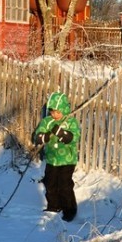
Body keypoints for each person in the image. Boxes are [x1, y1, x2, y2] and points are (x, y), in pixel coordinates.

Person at [33, 91, 81, 222]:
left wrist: (61, 133)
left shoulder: (71, 122)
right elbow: (37, 136)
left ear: (64, 110)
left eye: (58, 112)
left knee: (64, 185)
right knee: (50, 183)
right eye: (53, 112)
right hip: (52, 160)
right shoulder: (47, 121)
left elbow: (74, 136)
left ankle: (69, 210)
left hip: (67, 160)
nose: (55, 115)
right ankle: (53, 206)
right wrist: (44, 136)